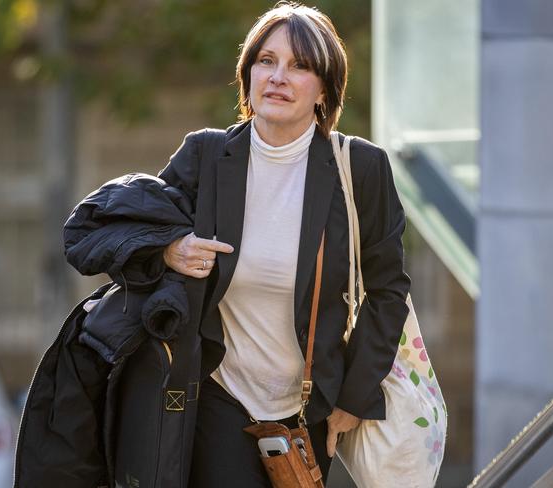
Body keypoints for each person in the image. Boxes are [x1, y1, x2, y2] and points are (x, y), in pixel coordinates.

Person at [156, 2, 410, 486]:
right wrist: (171, 248)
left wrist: (352, 401)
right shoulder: (206, 156)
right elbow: (133, 226)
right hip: (217, 395)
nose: (278, 76)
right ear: (247, 74)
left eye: (300, 65)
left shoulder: (360, 168)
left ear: (323, 90)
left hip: (309, 411)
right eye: (266, 61)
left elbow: (388, 290)